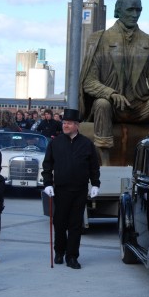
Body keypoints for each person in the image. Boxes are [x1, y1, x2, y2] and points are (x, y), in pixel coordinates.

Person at [79, 0, 149, 162]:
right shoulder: (100, 39)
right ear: (118, 11)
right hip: (111, 106)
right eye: (130, 10)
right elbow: (89, 81)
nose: (135, 15)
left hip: (138, 105)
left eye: (138, 10)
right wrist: (110, 93)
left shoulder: (148, 41)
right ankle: (104, 159)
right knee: (102, 104)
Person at [42, 109, 101, 269]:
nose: (65, 125)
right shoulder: (55, 143)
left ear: (76, 125)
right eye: (64, 123)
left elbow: (94, 167)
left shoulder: (87, 144)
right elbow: (47, 165)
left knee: (75, 224)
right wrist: (47, 183)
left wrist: (95, 184)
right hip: (60, 190)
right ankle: (59, 251)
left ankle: (72, 256)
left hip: (79, 190)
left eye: (68, 123)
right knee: (59, 223)